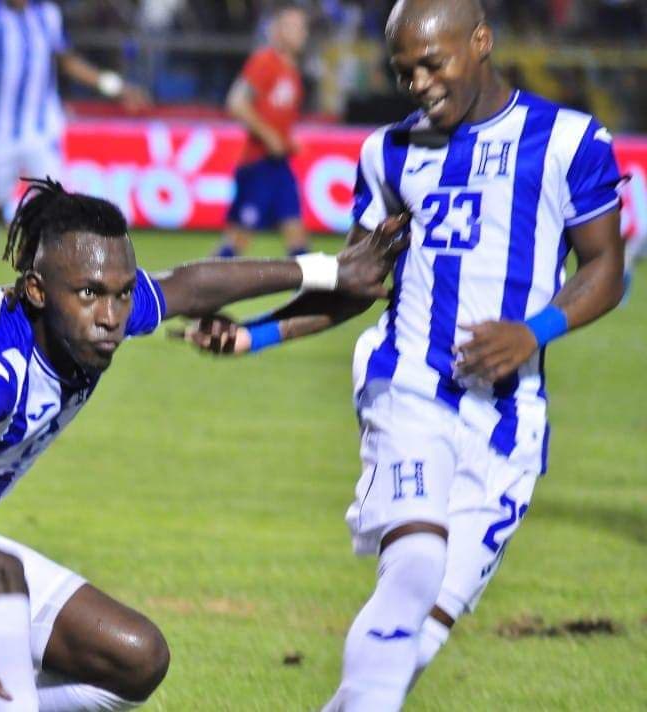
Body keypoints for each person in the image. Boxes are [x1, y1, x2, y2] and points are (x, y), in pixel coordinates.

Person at [0, 178, 406, 712]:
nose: (111, 314)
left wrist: (328, 268)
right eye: (91, 295)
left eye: (122, 293)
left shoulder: (92, 314)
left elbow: (190, 285)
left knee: (134, 659)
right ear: (39, 290)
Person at [176, 0, 626, 709]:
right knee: (413, 565)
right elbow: (358, 284)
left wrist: (531, 331)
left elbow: (606, 269)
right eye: (402, 69)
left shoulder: (570, 141)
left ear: (480, 41)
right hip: (407, 387)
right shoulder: (386, 152)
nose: (416, 82)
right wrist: (255, 332)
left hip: (507, 427)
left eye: (432, 63)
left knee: (423, 632)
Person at [0, 0, 149, 283]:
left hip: (42, 130)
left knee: (53, 201)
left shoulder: (48, 15)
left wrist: (114, 86)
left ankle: (43, 272)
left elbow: (67, 60)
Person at [214, 4, 311, 259]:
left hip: (278, 164)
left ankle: (312, 296)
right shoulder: (265, 61)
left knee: (297, 236)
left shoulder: (292, 72)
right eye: (293, 27)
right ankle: (202, 290)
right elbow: (236, 102)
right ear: (277, 31)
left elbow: (276, 118)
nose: (301, 33)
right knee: (237, 240)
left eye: (303, 27)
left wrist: (287, 141)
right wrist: (269, 136)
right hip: (257, 164)